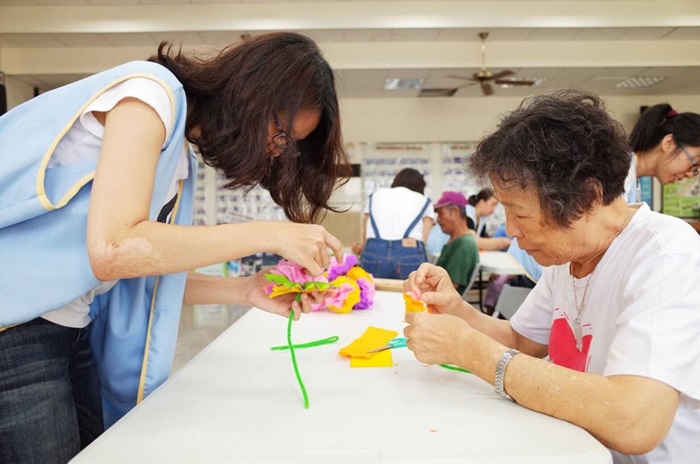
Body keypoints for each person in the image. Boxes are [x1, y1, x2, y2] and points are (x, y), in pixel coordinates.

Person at [0, 32, 349, 463]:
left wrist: (244, 289)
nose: (275, 152)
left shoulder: (178, 158)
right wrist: (269, 233)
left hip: (68, 330)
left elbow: (140, 270)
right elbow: (113, 249)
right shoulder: (150, 95)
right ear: (252, 92)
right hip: (16, 332)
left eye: (288, 147)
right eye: (280, 134)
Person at [403, 90, 700, 463]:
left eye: (520, 214)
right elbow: (520, 340)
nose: (510, 230)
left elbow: (634, 420)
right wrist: (456, 309)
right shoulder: (568, 257)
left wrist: (470, 350)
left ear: (587, 198)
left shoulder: (665, 254)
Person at [355, 167, 434, 279]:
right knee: (411, 293)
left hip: (374, 251)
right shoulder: (424, 201)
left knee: (371, 291)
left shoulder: (375, 196)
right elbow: (424, 239)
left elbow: (365, 233)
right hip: (410, 253)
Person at [626, 103, 700, 201]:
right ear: (668, 143)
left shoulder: (633, 181)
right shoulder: (613, 172)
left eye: (696, 169)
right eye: (694, 164)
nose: (690, 175)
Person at [432, 191, 479, 295]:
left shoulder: (464, 245)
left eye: (440, 214)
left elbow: (450, 288)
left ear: (454, 211)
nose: (438, 220)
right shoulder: (457, 241)